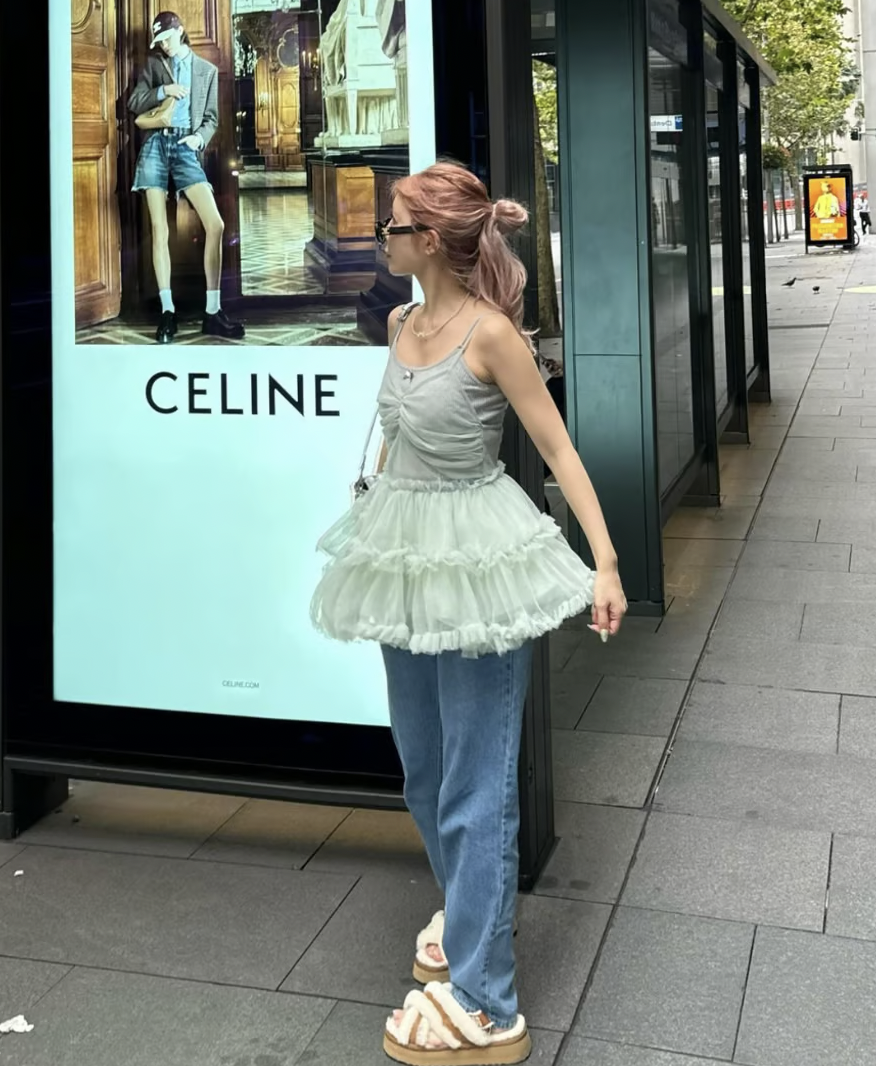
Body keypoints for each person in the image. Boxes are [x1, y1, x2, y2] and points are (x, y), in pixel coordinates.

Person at [310, 161, 627, 1065]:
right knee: (424, 769)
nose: (381, 238)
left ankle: (487, 1005)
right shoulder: (400, 322)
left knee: (476, 782)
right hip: (406, 557)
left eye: (393, 226)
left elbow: (558, 452)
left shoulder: (493, 336)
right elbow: (396, 438)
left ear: (432, 240)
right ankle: (469, 919)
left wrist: (605, 563)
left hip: (482, 563)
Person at [128, 11, 244, 344]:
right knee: (159, 229)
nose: (162, 45)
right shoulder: (154, 66)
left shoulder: (206, 71)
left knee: (215, 225)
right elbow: (134, 102)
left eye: (166, 38)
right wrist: (163, 89)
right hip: (155, 146)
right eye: (158, 41)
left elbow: (211, 119)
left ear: (179, 32)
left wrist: (199, 139)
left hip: (184, 148)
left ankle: (213, 312)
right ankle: (168, 312)